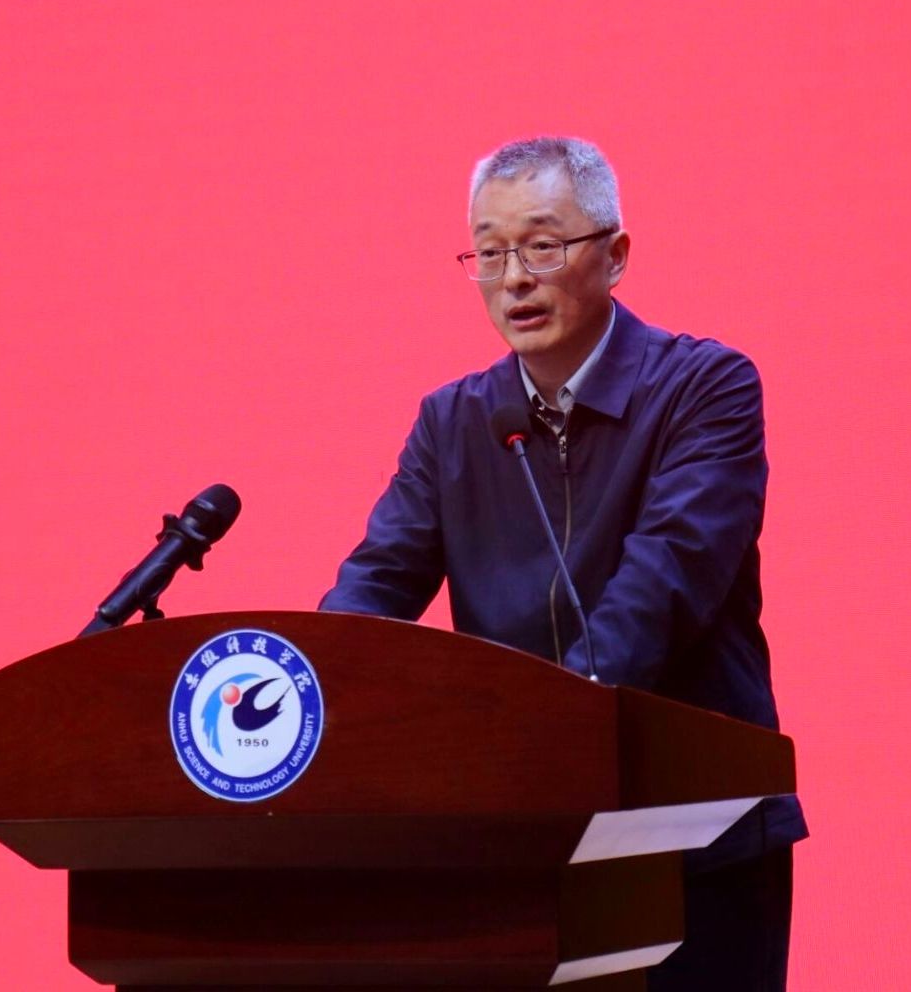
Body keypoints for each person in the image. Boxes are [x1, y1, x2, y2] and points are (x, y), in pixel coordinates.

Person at [321, 136, 807, 991]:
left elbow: (663, 584)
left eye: (542, 245)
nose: (514, 278)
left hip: (693, 841)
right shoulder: (454, 422)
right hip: (518, 849)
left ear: (614, 255)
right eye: (490, 252)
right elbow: (375, 585)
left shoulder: (705, 388)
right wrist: (313, 698)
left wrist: (536, 733)